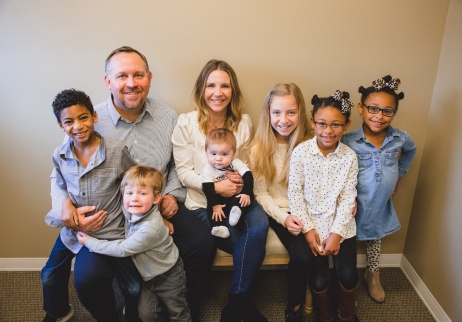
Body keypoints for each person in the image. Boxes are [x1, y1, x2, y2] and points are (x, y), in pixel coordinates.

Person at [48, 46, 215, 322]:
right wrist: (65, 204)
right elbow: (60, 172)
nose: (131, 83)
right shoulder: (88, 120)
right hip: (112, 215)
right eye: (122, 75)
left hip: (160, 203)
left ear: (149, 78)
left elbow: (175, 164)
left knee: (202, 245)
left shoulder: (167, 116)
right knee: (88, 279)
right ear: (108, 81)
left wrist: (172, 195)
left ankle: (184, 308)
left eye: (138, 75)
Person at [172, 59, 269, 322]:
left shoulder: (243, 123)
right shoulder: (186, 123)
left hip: (238, 199)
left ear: (233, 90)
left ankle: (236, 303)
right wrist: (217, 187)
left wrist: (237, 183)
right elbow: (183, 173)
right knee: (246, 244)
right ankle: (244, 302)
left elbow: (245, 164)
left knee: (259, 225)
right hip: (203, 203)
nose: (218, 92)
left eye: (225, 85)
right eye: (211, 85)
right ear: (201, 90)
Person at [41, 89, 140, 322]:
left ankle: (129, 311)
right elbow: (60, 184)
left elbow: (133, 181)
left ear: (94, 116)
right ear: (60, 126)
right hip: (74, 229)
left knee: (134, 287)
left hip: (111, 230)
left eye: (83, 117)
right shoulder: (60, 155)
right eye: (69, 121)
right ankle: (59, 312)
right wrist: (66, 205)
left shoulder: (116, 151)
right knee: (49, 275)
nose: (78, 126)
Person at [77, 165, 191, 322]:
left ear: (156, 198)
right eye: (129, 193)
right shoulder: (130, 208)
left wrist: (90, 242)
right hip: (146, 277)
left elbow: (122, 249)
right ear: (123, 195)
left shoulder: (150, 228)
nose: (134, 198)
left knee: (177, 312)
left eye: (142, 193)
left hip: (168, 276)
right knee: (146, 315)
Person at [341, 76, 416, 303]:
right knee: (348, 240)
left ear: (394, 113)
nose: (379, 116)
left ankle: (373, 274)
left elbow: (411, 152)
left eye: (387, 111)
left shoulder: (400, 138)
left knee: (375, 237)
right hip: (354, 201)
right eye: (373, 109)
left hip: (379, 201)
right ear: (361, 108)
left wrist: (398, 178)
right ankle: (347, 275)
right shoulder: (348, 140)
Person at [289, 90, 360, 322]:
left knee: (348, 276)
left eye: (336, 125)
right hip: (313, 225)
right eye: (322, 124)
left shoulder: (349, 157)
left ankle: (346, 315)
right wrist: (309, 230)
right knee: (319, 280)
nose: (328, 131)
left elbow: (348, 198)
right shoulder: (301, 153)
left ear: (346, 125)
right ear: (312, 123)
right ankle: (326, 316)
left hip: (342, 226)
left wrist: (337, 234)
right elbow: (295, 193)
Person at [249, 83, 314, 322]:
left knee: (316, 258)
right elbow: (261, 194)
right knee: (303, 257)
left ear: (301, 113)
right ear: (268, 113)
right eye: (277, 112)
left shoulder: (311, 144)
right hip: (278, 209)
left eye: (291, 112)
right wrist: (284, 218)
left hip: (307, 209)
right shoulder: (259, 148)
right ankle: (295, 305)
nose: (283, 120)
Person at [202, 128, 254, 238]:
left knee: (241, 200)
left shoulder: (235, 163)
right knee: (212, 210)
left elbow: (248, 175)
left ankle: (236, 212)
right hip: (218, 199)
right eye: (213, 154)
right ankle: (218, 227)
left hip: (235, 195)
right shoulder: (208, 169)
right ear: (206, 152)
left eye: (224, 154)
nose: (218, 159)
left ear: (233, 154)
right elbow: (208, 188)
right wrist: (215, 206)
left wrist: (246, 193)